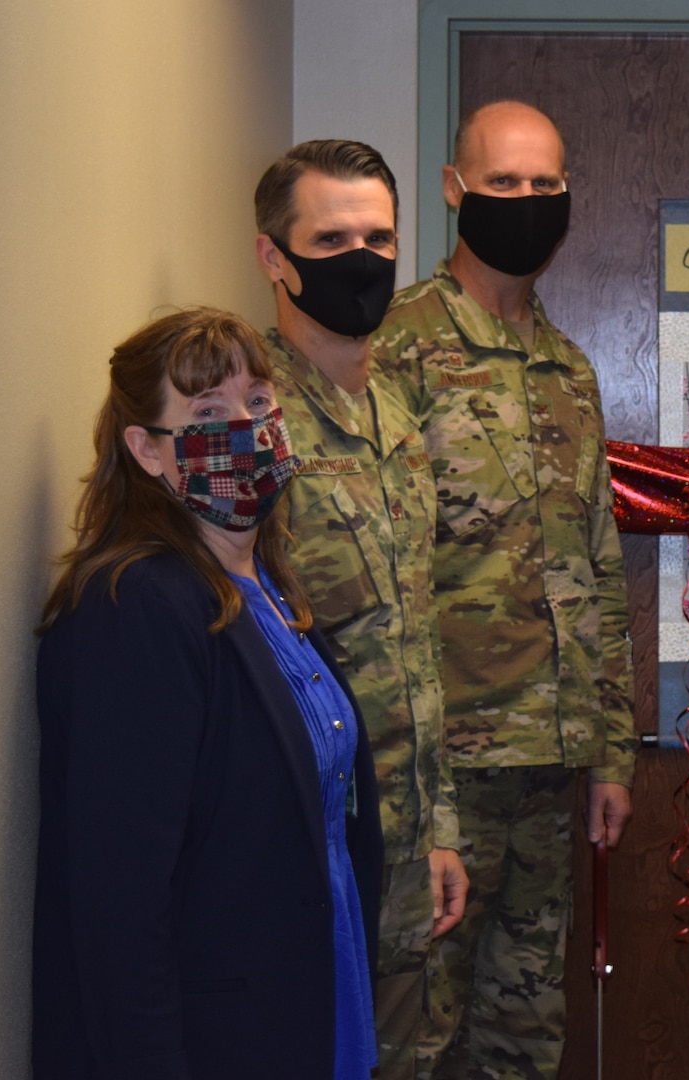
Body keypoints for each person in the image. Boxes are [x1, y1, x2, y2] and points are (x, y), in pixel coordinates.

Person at [32, 308, 384, 1080]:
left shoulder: (266, 587)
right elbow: (121, 910)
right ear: (146, 451)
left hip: (310, 997)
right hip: (213, 1037)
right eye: (206, 413)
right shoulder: (137, 610)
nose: (248, 428)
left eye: (258, 402)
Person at [371, 100, 636, 1079]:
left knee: (524, 1041)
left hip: (548, 768)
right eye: (504, 182)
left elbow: (597, 568)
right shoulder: (394, 348)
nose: (527, 201)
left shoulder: (567, 369)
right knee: (415, 1037)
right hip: (438, 777)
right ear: (453, 190)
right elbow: (382, 575)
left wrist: (612, 753)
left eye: (544, 185)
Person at [254, 139, 468, 1078]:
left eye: (380, 238)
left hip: (409, 842)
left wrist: (441, 829)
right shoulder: (245, 424)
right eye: (331, 237)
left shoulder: (396, 410)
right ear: (274, 258)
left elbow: (415, 642)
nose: (363, 259)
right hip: (311, 852)